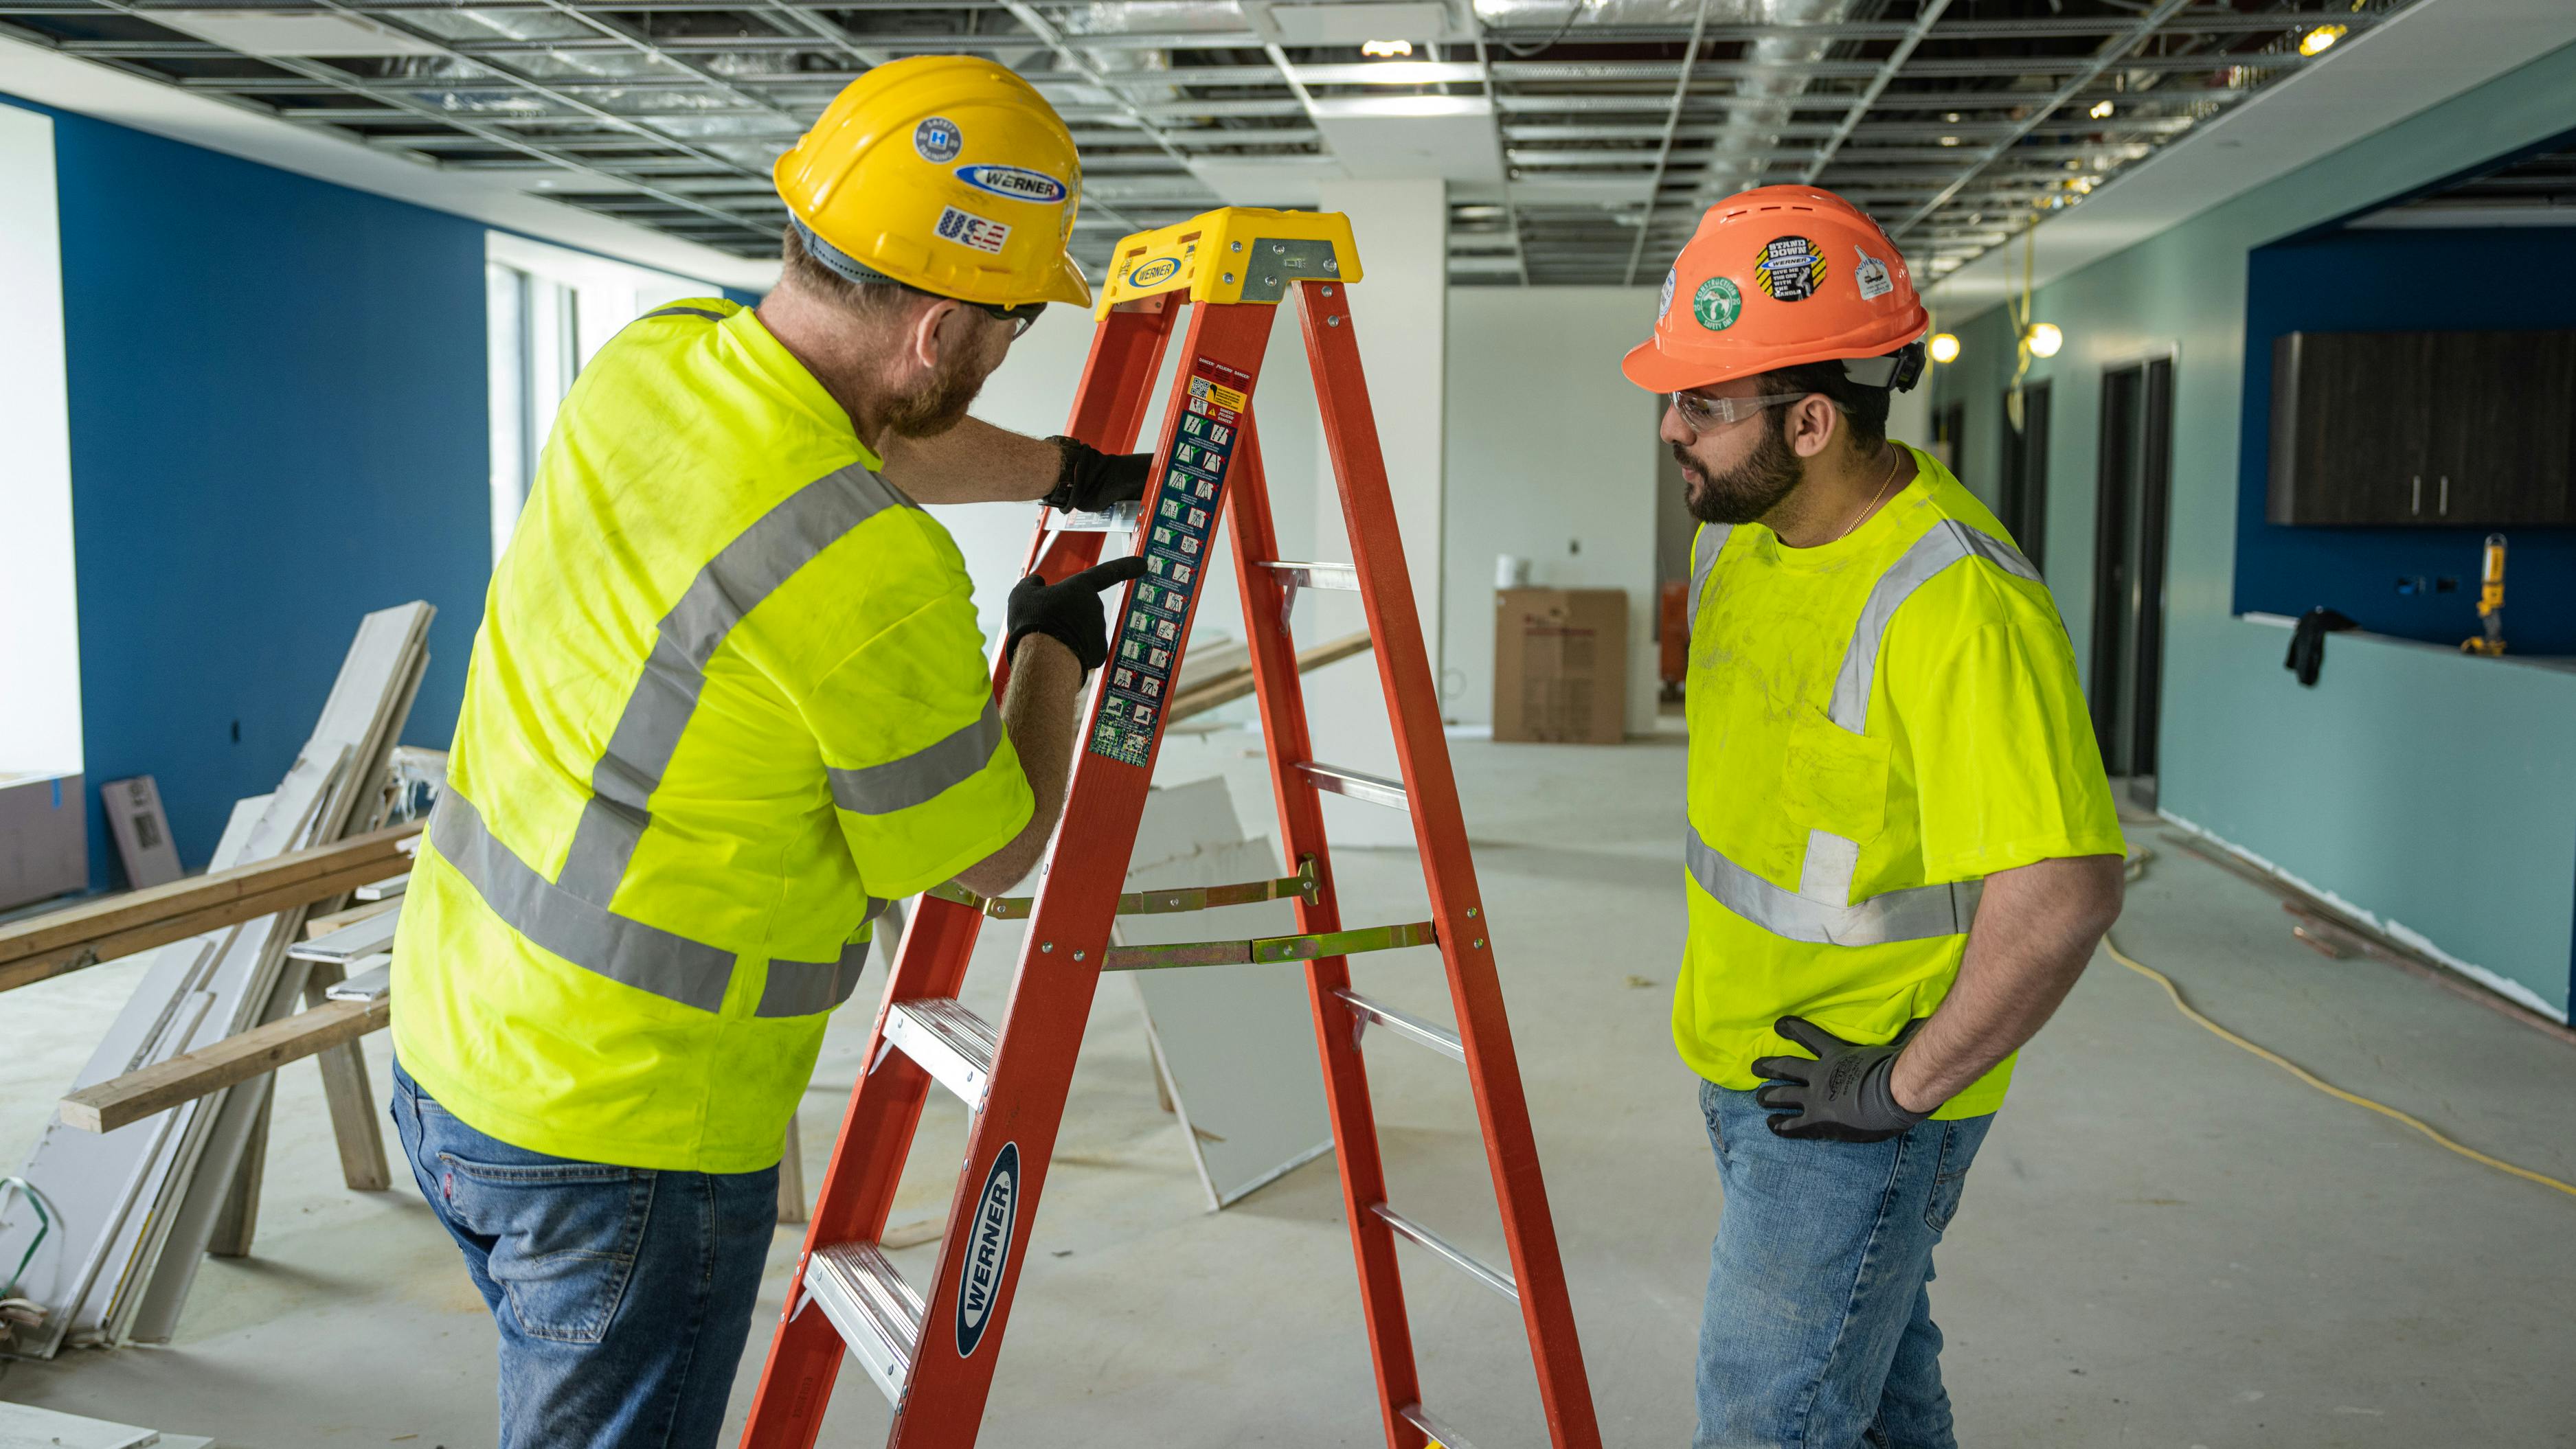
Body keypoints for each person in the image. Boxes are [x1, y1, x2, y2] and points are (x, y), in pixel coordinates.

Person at [387, 57, 1149, 1449]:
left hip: (453, 1047)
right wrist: (1052, 641)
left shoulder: (654, 361)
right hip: (629, 1136)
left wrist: (1065, 475)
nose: (1010, 346)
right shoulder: (871, 570)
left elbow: (859, 446)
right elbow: (989, 849)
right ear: (935, 333)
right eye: (1012, 323)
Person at [1623, 187, 2127, 1449]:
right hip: (1745, 1057)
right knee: (1879, 1385)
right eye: (1670, 397)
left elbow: (2063, 893)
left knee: (1766, 1412)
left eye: (1702, 404)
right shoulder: (1742, 536)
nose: (1672, 429)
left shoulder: (1957, 605)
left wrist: (1901, 1088)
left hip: (1858, 1091)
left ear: (1809, 418)